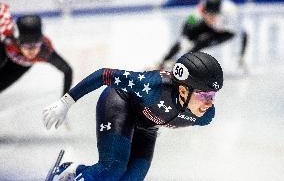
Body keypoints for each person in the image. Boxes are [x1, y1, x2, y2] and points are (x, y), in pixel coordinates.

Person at [42, 51, 223, 181]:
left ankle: (74, 170)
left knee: (131, 178)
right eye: (204, 95)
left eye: (213, 95)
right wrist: (66, 102)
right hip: (120, 102)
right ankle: (65, 175)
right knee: (112, 169)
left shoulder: (205, 116)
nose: (210, 103)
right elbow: (104, 75)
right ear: (183, 91)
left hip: (147, 124)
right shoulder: (153, 86)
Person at [158, 0, 248, 71]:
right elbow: (188, 21)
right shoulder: (201, 8)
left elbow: (244, 34)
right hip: (211, 25)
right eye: (207, 15)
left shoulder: (231, 15)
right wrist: (184, 38)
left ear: (219, 14)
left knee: (201, 43)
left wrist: (241, 56)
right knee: (183, 40)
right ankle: (163, 62)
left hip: (225, 32)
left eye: (212, 16)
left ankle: (181, 64)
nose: (209, 19)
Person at [0, 3, 73, 95]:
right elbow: (2, 8)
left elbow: (68, 70)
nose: (31, 51)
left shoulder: (45, 51)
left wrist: (64, 100)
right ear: (18, 42)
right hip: (4, 53)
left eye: (36, 45)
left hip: (20, 66)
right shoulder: (8, 37)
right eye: (26, 46)